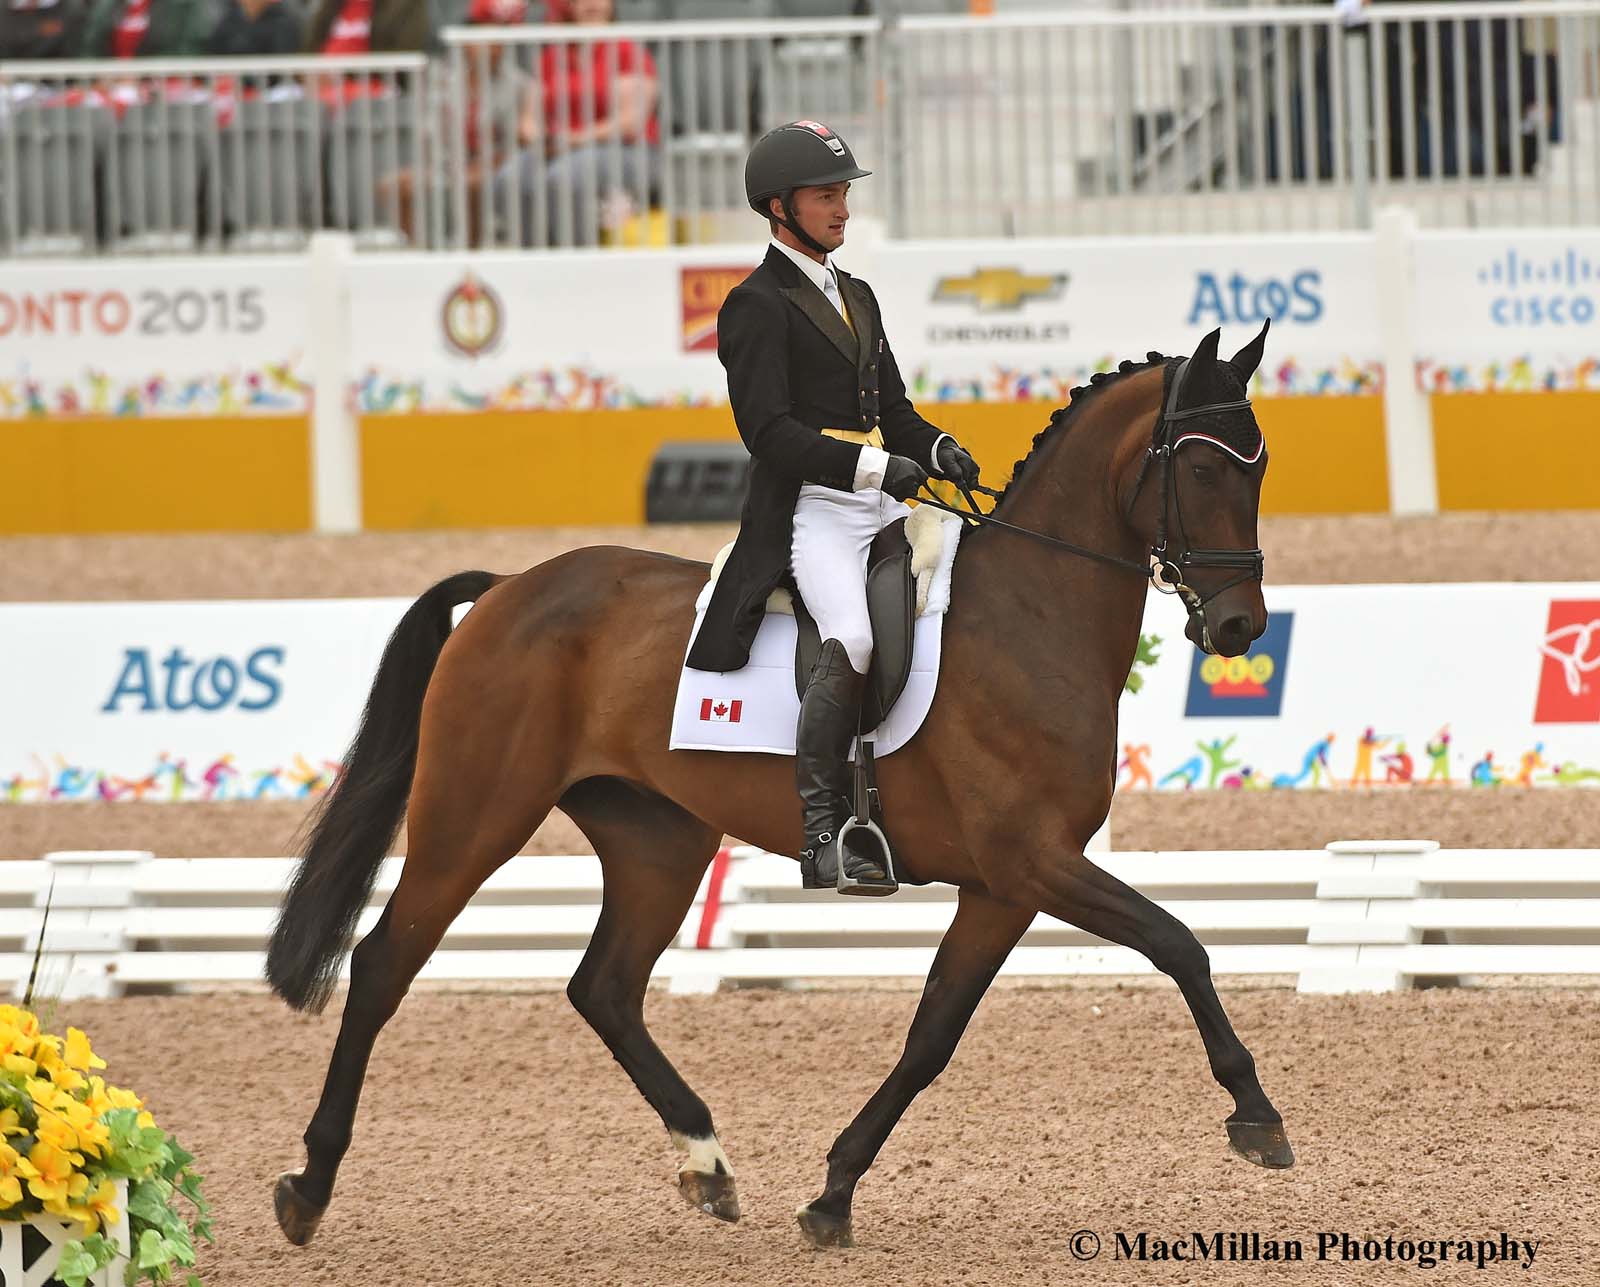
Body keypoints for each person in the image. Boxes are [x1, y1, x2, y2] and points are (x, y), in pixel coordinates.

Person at [684, 120, 981, 895]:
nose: (841, 208)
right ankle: (824, 833)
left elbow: (898, 409)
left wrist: (940, 446)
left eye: (844, 192)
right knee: (850, 636)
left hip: (876, 505)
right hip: (810, 507)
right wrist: (877, 464)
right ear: (779, 207)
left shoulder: (858, 294)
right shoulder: (755, 304)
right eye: (825, 195)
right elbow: (769, 433)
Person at [493, 0, 659, 247]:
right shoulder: (553, 55)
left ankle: (578, 257)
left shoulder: (627, 50)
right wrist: (537, 137)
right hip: (561, 148)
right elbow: (529, 117)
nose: (592, 5)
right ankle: (532, 254)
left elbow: (629, 122)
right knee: (510, 178)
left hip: (625, 150)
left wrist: (573, 140)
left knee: (563, 178)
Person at [79, 0, 212, 56]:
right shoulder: (107, 6)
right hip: (110, 80)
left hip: (159, 78)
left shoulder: (179, 6)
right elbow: (90, 47)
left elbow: (186, 48)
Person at [303, 0, 428, 53]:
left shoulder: (405, 5)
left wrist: (341, 74)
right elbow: (310, 47)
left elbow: (403, 55)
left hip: (376, 93)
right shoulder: (331, 6)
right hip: (317, 90)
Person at [207, 0, 302, 55]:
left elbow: (281, 59)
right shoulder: (229, 19)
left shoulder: (283, 21)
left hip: (271, 86)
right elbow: (214, 51)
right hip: (231, 83)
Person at [1, 0, 86, 59]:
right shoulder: (4, 9)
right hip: (7, 78)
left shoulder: (70, 9)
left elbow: (76, 50)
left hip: (57, 78)